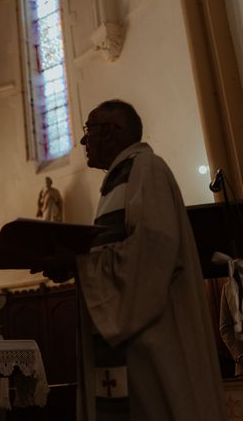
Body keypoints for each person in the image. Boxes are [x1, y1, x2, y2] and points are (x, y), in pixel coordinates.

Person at [36, 100, 226, 420]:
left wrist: (77, 263)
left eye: (88, 130)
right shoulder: (119, 180)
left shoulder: (147, 170)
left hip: (153, 347)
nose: (83, 141)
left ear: (110, 131)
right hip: (132, 348)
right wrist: (75, 262)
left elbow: (153, 251)